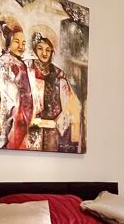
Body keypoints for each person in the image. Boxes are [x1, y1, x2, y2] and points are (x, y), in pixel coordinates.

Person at [26, 24, 82, 152]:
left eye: (48, 49)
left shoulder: (58, 73)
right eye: (40, 48)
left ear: (52, 51)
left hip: (53, 128)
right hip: (31, 126)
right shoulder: (27, 68)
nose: (44, 53)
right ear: (34, 49)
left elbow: (69, 103)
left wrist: (58, 121)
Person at [0, 16, 32, 149]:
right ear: (8, 42)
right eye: (17, 42)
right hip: (10, 108)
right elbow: (7, 92)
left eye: (24, 43)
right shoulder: (5, 62)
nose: (21, 46)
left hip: (17, 109)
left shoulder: (18, 63)